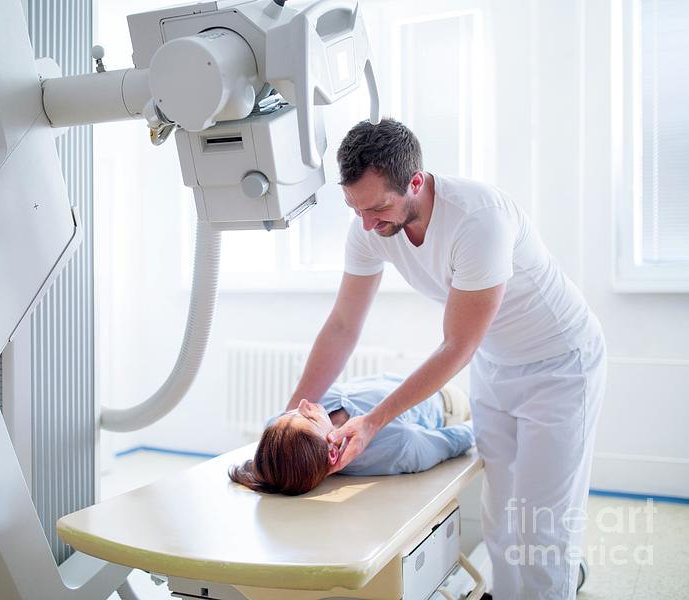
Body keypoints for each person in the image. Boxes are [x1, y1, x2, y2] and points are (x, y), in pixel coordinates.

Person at [285, 119, 606, 600]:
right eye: (355, 208)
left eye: (377, 208)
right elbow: (343, 326)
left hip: (560, 365)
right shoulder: (369, 226)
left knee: (543, 522)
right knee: (499, 512)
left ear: (416, 182)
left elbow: (456, 345)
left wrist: (371, 423)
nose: (368, 224)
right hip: (496, 363)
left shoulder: (479, 221)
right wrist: (293, 412)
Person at [229, 373, 474, 495]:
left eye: (292, 412)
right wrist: (484, 422)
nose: (303, 403)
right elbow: (457, 439)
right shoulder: (398, 445)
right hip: (447, 401)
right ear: (333, 451)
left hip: (398, 378)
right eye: (309, 417)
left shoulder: (284, 432)